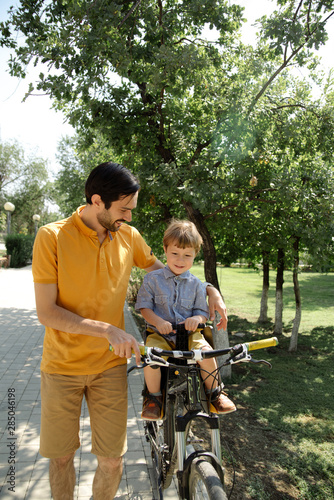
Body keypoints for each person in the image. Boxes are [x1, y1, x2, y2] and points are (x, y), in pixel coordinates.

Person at [32, 162, 228, 500]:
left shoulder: (128, 236)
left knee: (111, 461)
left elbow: (169, 273)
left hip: (109, 367)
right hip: (61, 366)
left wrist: (209, 289)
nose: (130, 217)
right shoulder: (51, 237)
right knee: (61, 457)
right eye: (124, 209)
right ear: (97, 201)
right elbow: (47, 312)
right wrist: (108, 330)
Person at [135, 219, 236, 421]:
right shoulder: (152, 279)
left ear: (195, 255)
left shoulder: (197, 285)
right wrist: (157, 321)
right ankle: (154, 398)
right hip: (159, 335)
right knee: (151, 356)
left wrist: (197, 318)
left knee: (206, 352)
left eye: (187, 255)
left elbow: (203, 311)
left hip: (190, 335)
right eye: (174, 253)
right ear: (165, 250)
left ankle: (215, 393)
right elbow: (144, 307)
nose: (180, 260)